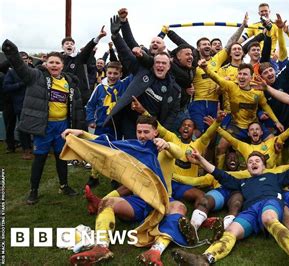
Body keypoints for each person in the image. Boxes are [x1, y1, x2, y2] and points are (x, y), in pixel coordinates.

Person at [65, 116, 198, 265]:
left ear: (155, 132)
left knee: (179, 207)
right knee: (107, 202)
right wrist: (82, 134)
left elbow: (179, 153)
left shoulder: (164, 149)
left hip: (163, 201)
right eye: (139, 131)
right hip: (139, 201)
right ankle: (101, 247)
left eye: (146, 132)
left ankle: (155, 251)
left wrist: (166, 144)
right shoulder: (134, 148)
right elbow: (108, 144)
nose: (142, 135)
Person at [173, 147, 289, 266]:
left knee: (268, 218)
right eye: (250, 161)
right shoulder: (242, 182)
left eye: (257, 161)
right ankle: (204, 258)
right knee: (231, 231)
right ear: (247, 167)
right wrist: (200, 159)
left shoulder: (274, 177)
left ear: (263, 166)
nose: (253, 163)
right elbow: (220, 174)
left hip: (270, 203)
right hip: (250, 211)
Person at [2, 39, 85, 204]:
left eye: (57, 63)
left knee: (62, 158)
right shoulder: (37, 76)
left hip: (62, 126)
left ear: (62, 65)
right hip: (44, 126)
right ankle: (33, 191)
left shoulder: (69, 82)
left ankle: (64, 185)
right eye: (51, 62)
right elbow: (21, 68)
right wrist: (12, 53)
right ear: (46, 64)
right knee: (39, 159)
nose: (54, 65)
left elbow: (76, 106)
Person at [105, 16, 181, 139]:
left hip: (152, 128)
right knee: (131, 151)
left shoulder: (174, 89)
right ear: (153, 64)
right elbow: (126, 52)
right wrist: (116, 36)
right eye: (157, 63)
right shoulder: (142, 71)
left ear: (169, 67)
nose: (160, 65)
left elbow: (172, 114)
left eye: (164, 63)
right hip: (130, 122)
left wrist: (161, 133)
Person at [2, 51, 33, 159]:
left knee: (31, 127)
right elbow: (6, 87)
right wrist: (20, 84)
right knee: (22, 127)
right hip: (18, 104)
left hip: (32, 104)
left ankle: (32, 147)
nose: (24, 62)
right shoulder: (12, 72)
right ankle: (26, 149)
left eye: (26, 60)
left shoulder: (33, 71)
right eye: (22, 60)